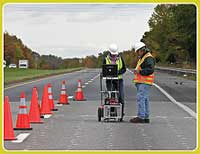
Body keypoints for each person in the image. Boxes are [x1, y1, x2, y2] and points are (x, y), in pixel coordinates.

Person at [130, 42, 155, 123]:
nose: (137, 54)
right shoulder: (144, 57)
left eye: (138, 52)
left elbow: (150, 70)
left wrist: (140, 72)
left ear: (141, 50)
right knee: (145, 99)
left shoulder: (148, 58)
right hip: (143, 82)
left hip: (144, 82)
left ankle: (141, 116)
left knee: (141, 98)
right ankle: (146, 117)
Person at [103, 43, 126, 120]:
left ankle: (121, 114)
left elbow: (124, 69)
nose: (114, 56)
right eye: (112, 54)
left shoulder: (120, 58)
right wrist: (108, 74)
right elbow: (104, 70)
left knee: (121, 97)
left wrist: (117, 72)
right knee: (111, 96)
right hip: (110, 80)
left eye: (115, 54)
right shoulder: (106, 59)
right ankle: (112, 113)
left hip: (119, 80)